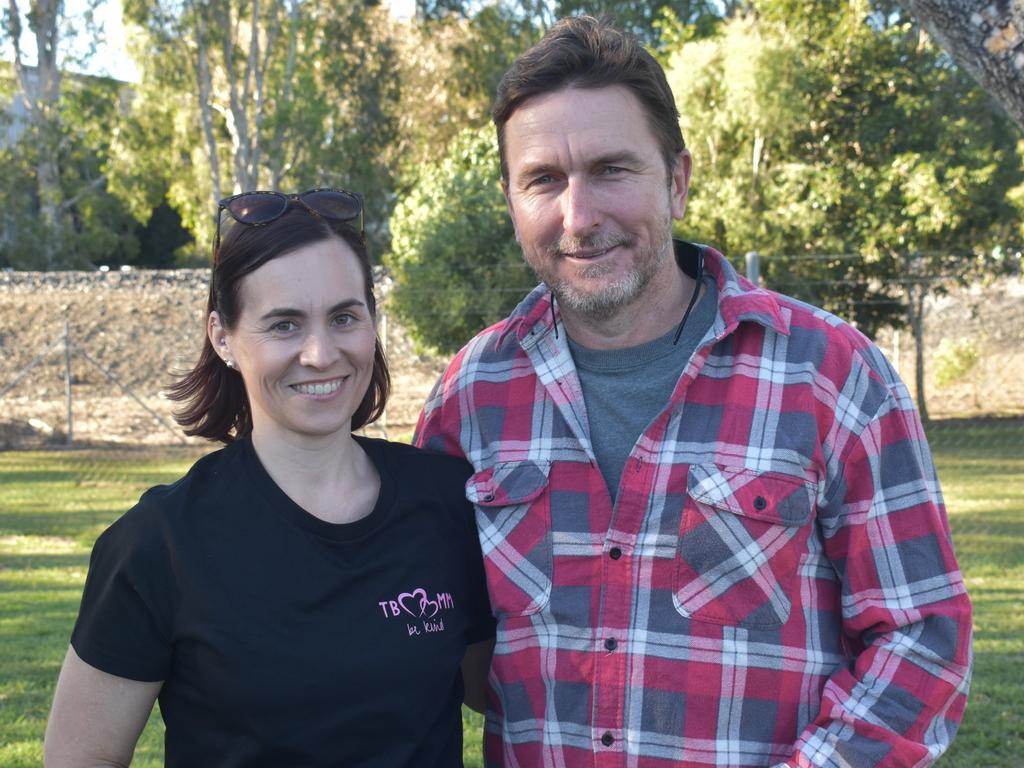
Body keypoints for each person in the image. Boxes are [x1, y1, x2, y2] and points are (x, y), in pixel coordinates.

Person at [415, 16, 972, 768]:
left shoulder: (831, 375)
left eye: (612, 169)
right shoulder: (470, 395)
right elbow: (436, 638)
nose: (580, 217)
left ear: (676, 180)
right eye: (544, 179)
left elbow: (923, 638)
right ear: (512, 200)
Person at [44, 189, 495, 767]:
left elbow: (493, 691)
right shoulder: (159, 544)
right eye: (284, 325)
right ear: (222, 336)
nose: (320, 352)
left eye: (344, 317)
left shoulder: (445, 504)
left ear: (372, 322)